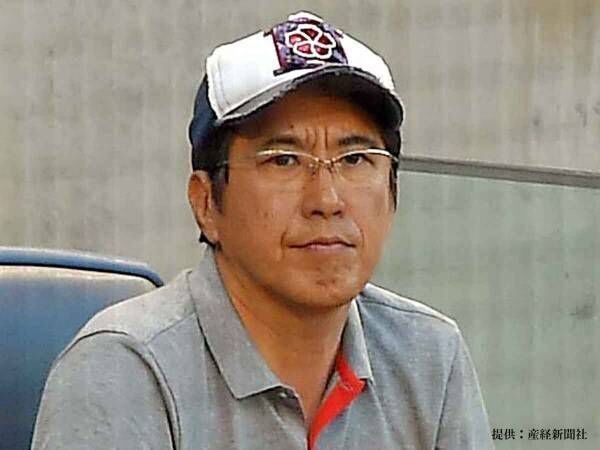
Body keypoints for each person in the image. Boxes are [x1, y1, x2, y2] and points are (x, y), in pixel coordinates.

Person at [32, 11, 494, 450]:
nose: (327, 199)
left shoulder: (429, 358)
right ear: (206, 203)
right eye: (284, 160)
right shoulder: (124, 369)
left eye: (355, 159)